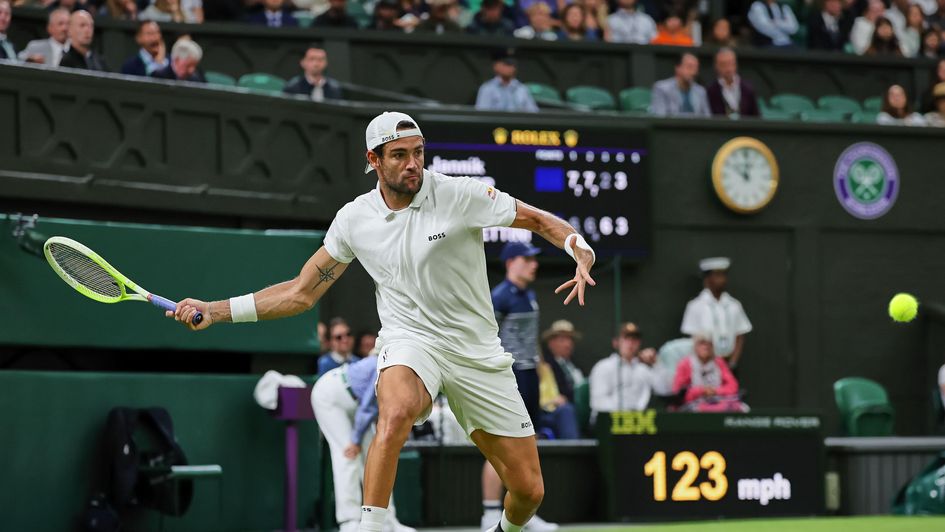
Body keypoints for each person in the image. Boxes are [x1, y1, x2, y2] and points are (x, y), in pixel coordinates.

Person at [167, 110, 597, 532]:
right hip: (411, 340)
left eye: (418, 152)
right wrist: (217, 310)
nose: (413, 164)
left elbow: (539, 220)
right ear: (373, 159)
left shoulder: (460, 194)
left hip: (477, 352)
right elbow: (301, 292)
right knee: (394, 414)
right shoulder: (355, 220)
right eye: (399, 155)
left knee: (528, 491)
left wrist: (578, 246)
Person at [481, 241, 558, 532]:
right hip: (508, 378)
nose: (534, 264)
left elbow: (531, 342)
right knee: (502, 448)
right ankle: (490, 513)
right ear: (511, 262)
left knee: (529, 446)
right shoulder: (499, 297)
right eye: (527, 259)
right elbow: (485, 337)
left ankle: (524, 510)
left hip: (529, 378)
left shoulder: (529, 296)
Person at [312, 351, 416, 532]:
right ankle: (349, 522)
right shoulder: (386, 364)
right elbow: (367, 407)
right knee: (347, 454)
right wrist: (355, 440)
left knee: (378, 456)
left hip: (355, 404)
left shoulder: (408, 368)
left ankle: (387, 520)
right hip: (330, 396)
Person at [680, 257, 752, 371]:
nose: (722, 279)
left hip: (729, 363)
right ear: (707, 279)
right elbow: (692, 340)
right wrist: (703, 363)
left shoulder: (734, 305)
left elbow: (740, 335)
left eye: (724, 275)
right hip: (705, 365)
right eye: (717, 276)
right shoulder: (695, 306)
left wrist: (733, 362)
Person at [588, 322, 664, 420]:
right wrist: (625, 414)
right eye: (626, 338)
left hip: (637, 422)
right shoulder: (603, 366)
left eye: (634, 339)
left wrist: (657, 364)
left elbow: (665, 389)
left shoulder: (643, 369)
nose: (631, 343)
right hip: (609, 421)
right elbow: (598, 402)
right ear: (616, 342)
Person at [672, 333, 748, 413]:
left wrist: (716, 391)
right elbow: (677, 390)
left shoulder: (719, 362)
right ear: (695, 346)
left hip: (719, 401)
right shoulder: (685, 364)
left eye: (709, 344)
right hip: (694, 404)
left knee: (742, 408)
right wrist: (701, 391)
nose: (705, 347)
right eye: (702, 343)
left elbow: (733, 386)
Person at [475, 49, 539, 112]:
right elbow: (482, 114)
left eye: (512, 64)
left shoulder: (522, 89)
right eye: (506, 64)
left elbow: (533, 113)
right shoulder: (487, 88)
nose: (510, 67)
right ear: (496, 66)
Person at [650, 52, 710, 117]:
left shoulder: (701, 91)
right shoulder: (661, 88)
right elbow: (660, 117)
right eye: (690, 67)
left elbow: (707, 118)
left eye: (696, 68)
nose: (694, 72)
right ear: (678, 68)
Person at [706, 47, 760, 118]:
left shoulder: (748, 89)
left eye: (730, 63)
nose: (728, 68)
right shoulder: (711, 91)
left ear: (735, 64)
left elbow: (756, 116)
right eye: (723, 64)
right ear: (716, 66)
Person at [541, 320, 586, 404]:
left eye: (570, 340)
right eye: (562, 340)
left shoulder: (575, 364)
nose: (568, 344)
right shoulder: (546, 365)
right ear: (551, 343)